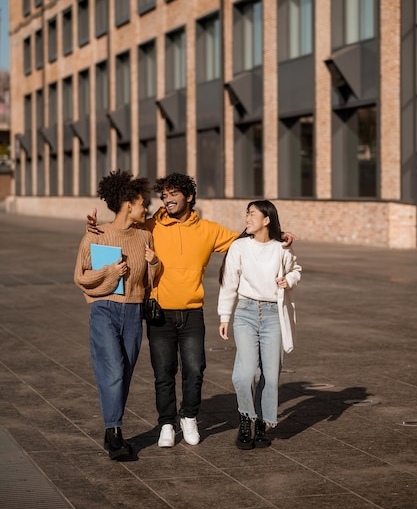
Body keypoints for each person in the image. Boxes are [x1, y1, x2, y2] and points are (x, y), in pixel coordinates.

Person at [87, 174, 296, 449]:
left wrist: (280, 234)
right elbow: (122, 230)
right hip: (160, 311)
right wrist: (95, 228)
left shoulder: (208, 230)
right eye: (163, 195)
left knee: (195, 370)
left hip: (193, 312)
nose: (167, 199)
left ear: (188, 196)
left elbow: (246, 239)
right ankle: (166, 423)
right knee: (163, 372)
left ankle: (189, 417)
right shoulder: (150, 227)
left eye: (173, 194)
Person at [74, 170, 161, 460]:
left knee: (123, 374)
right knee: (111, 371)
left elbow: (150, 280)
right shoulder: (98, 234)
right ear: (127, 203)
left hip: (135, 311)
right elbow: (81, 277)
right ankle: (114, 433)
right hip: (104, 309)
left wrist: (154, 263)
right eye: (142, 202)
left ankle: (113, 428)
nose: (145, 207)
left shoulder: (145, 235)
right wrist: (111, 271)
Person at [218, 200, 301, 450]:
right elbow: (229, 282)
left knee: (270, 375)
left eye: (252, 214)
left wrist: (288, 279)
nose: (247, 218)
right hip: (245, 312)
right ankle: (246, 419)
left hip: (274, 314)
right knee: (244, 375)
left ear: (267, 219)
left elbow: (296, 269)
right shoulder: (239, 247)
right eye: (247, 214)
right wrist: (224, 316)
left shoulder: (281, 249)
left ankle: (262, 425)